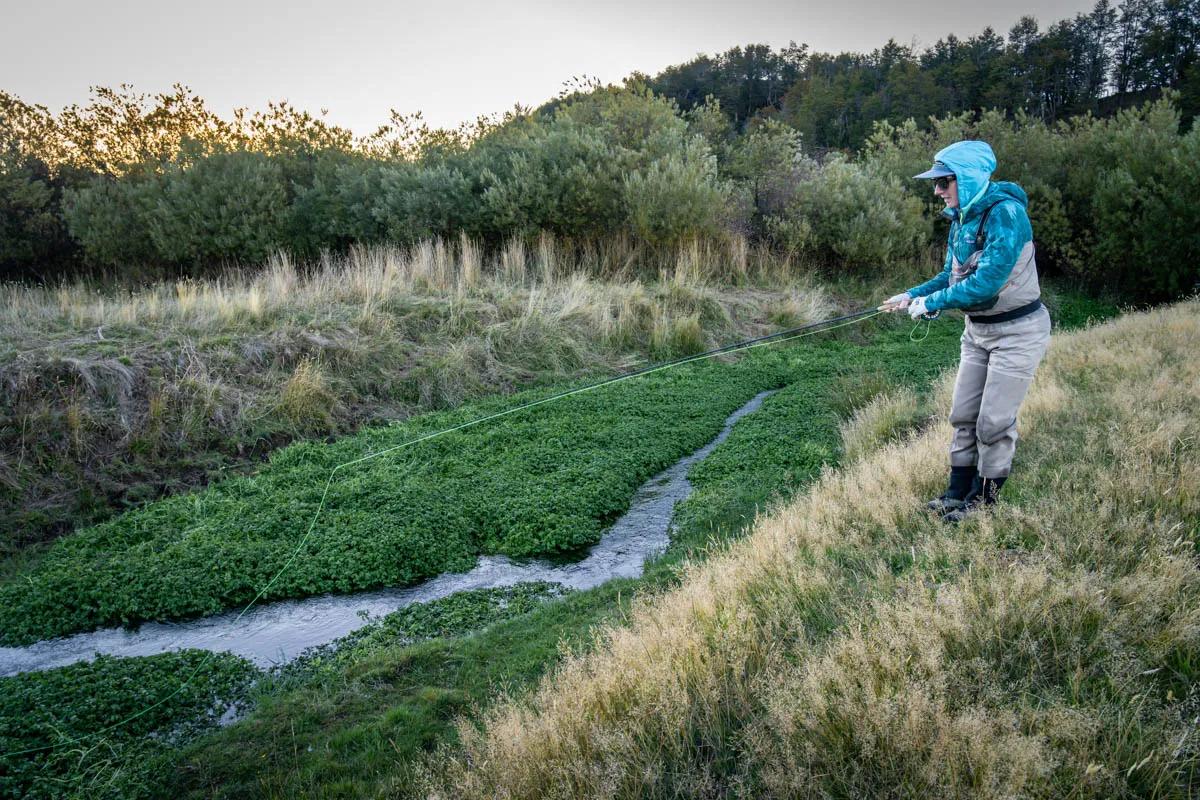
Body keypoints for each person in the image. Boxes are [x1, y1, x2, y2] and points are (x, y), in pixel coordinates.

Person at [881, 140, 1051, 522]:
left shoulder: (1006, 214)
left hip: (1018, 332)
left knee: (993, 421)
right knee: (963, 414)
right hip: (978, 331)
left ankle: (985, 503)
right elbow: (950, 275)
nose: (937, 190)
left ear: (969, 178)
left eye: (944, 182)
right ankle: (957, 492)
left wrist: (934, 303)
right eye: (936, 183)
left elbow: (988, 282)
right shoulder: (961, 216)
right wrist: (912, 295)